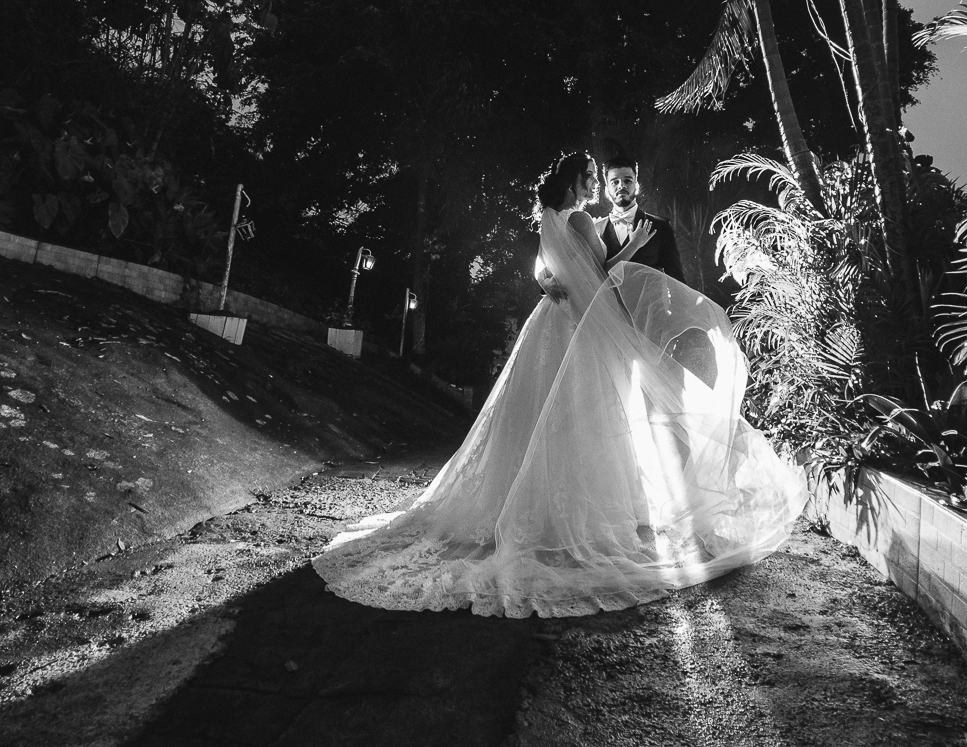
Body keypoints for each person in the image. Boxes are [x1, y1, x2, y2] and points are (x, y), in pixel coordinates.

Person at [312, 153, 806, 618]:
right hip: (580, 323)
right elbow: (593, 270)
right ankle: (575, 516)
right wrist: (630, 249)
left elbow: (548, 266)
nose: (598, 186)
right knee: (587, 411)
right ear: (576, 182)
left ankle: (528, 504)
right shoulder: (581, 219)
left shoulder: (550, 218)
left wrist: (547, 277)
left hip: (551, 320)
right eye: (592, 179)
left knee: (541, 410)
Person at [594, 155, 687, 286]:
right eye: (615, 182)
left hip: (652, 306)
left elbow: (676, 279)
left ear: (636, 186)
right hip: (608, 306)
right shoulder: (596, 228)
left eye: (627, 181)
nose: (621, 186)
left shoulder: (660, 226)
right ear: (606, 190)